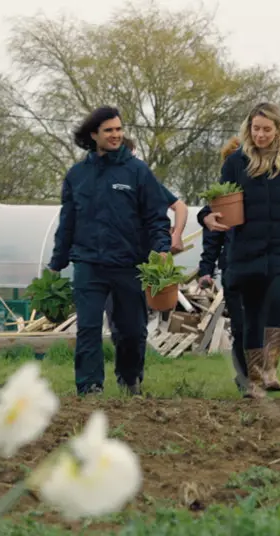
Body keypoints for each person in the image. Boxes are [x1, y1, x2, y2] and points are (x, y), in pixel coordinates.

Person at [199, 103, 280, 398]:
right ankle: (255, 380)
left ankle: (270, 368)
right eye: (255, 129)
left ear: (279, 129)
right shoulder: (235, 163)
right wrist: (205, 216)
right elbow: (218, 200)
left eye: (266, 130)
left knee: (274, 297)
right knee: (252, 314)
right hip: (246, 250)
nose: (260, 135)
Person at [48, 106, 172, 396]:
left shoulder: (137, 172)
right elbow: (67, 222)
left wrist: (162, 248)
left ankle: (130, 379)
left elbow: (156, 215)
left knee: (132, 330)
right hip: (88, 263)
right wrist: (56, 263)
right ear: (94, 135)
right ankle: (89, 386)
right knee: (88, 327)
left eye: (119, 129)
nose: (116, 135)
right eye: (109, 131)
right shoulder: (77, 175)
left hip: (128, 264)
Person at [103, 136, 187, 387]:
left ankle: (132, 378)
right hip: (107, 263)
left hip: (138, 264)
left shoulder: (143, 181)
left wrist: (175, 236)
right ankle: (123, 378)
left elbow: (179, 206)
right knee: (117, 325)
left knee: (135, 326)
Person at [197, 135, 250, 394]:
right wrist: (206, 270)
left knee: (258, 323)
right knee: (240, 324)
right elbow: (213, 237)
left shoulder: (261, 194)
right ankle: (246, 378)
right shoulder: (221, 199)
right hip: (232, 266)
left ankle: (258, 373)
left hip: (260, 265)